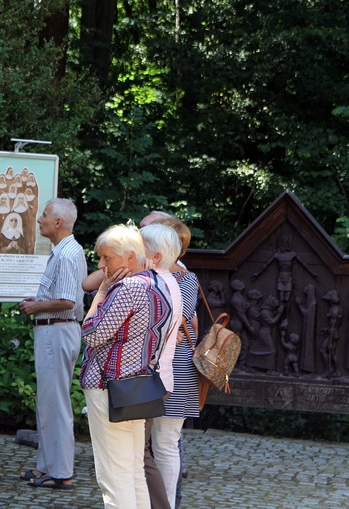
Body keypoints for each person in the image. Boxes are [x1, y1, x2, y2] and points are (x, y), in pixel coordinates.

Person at [80, 223, 173, 508]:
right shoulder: (159, 285)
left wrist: (100, 294)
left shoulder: (129, 287)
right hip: (137, 388)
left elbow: (91, 332)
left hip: (110, 387)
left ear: (130, 258)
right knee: (132, 472)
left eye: (107, 258)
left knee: (115, 476)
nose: (101, 264)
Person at [18, 198, 87, 490]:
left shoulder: (67, 254)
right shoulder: (64, 251)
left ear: (58, 222)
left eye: (44, 215)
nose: (39, 220)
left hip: (58, 331)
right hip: (54, 329)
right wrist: (40, 302)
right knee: (47, 403)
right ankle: (47, 466)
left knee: (55, 405)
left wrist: (38, 308)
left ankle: (61, 472)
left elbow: (68, 301)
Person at [150, 216, 201, 509]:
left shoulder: (185, 278)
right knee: (156, 444)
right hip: (157, 364)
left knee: (166, 442)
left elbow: (180, 319)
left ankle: (166, 503)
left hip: (176, 365)